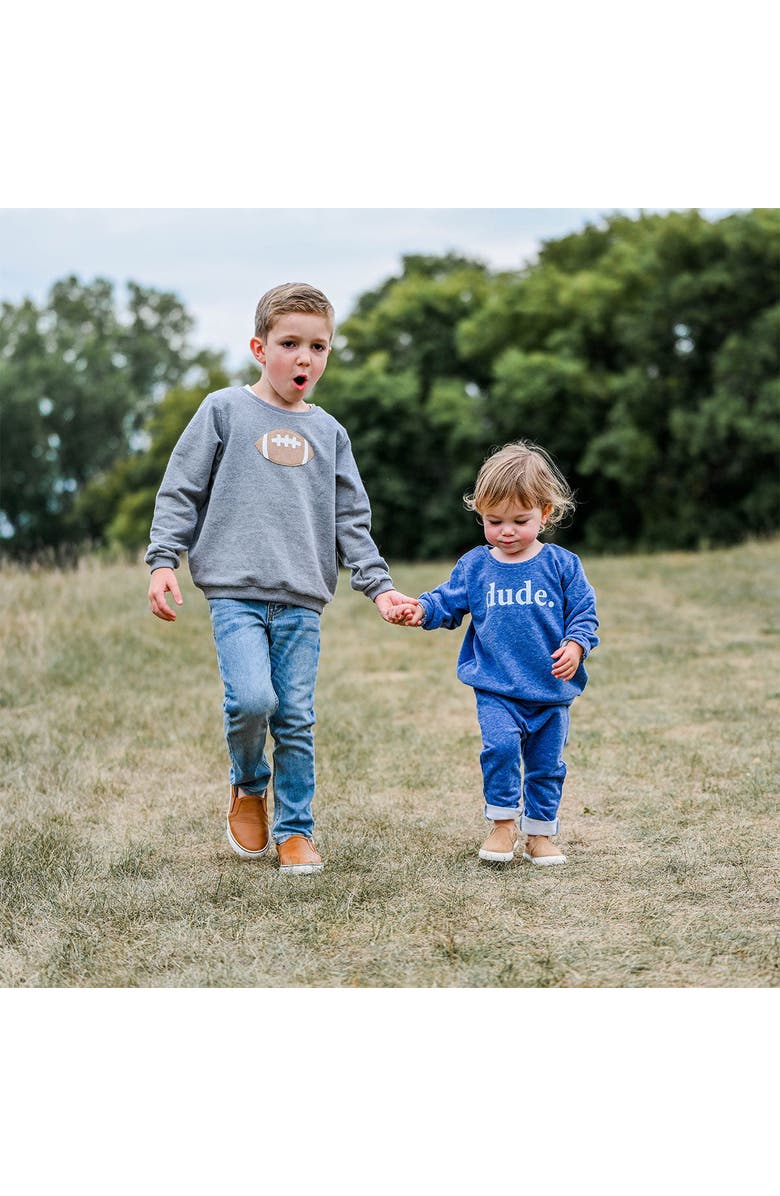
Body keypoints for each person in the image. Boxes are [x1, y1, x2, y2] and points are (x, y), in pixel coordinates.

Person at [146, 282, 415, 875]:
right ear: (259, 348)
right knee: (252, 700)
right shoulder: (223, 410)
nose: (304, 358)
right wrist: (163, 560)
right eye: (290, 343)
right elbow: (181, 489)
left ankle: (295, 831)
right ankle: (248, 786)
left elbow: (351, 521)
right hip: (235, 593)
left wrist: (379, 587)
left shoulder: (330, 433)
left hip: (301, 600)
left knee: (294, 716)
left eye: (318, 347)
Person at [392, 441, 599, 866]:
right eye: (493, 520)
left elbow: (584, 614)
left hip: (549, 690)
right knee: (500, 749)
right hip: (496, 686)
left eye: (519, 521)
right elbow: (446, 601)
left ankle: (540, 834)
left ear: (545, 513)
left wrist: (576, 646)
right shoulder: (476, 566)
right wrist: (422, 610)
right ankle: (503, 825)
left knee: (546, 765)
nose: (506, 531)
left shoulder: (562, 565)